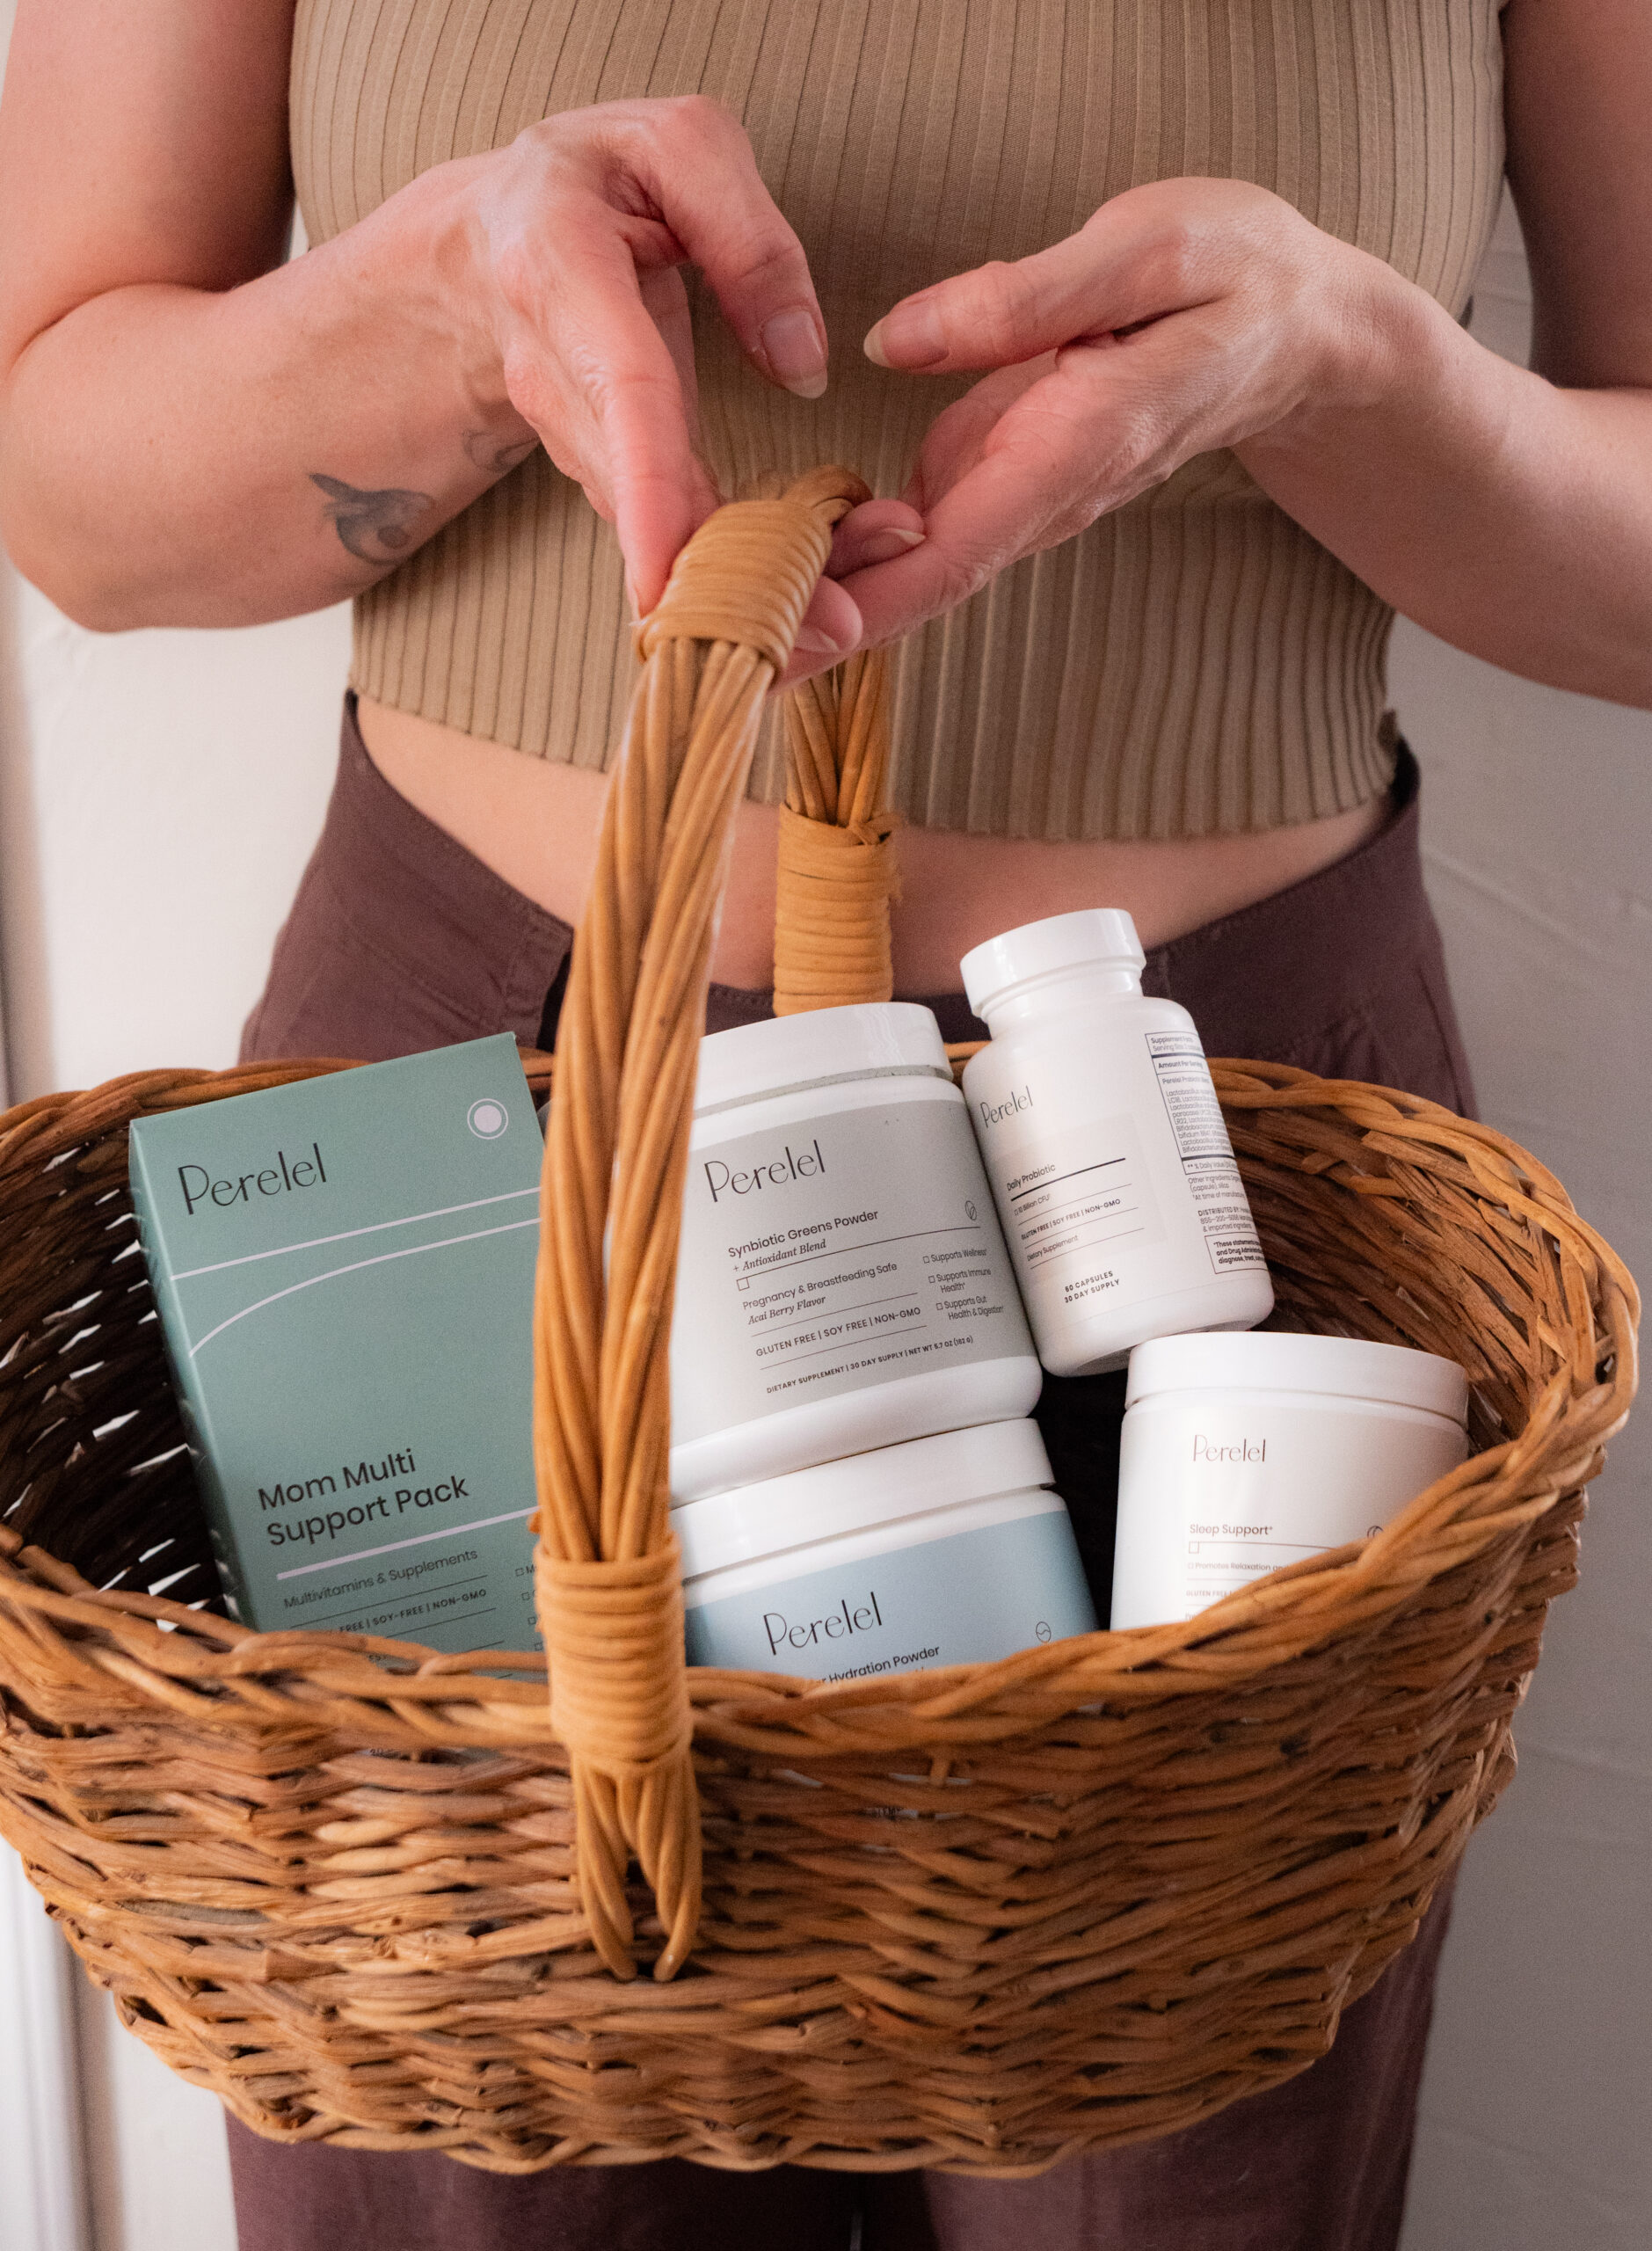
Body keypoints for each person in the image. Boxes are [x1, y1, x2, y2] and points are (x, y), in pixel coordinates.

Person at [1, 4, 1647, 2247]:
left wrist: (1354, 371)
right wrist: (444, 323)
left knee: (1185, 2185)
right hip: (475, 1140)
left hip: (1223, 1182)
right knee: (467, 2158)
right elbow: (70, 506)